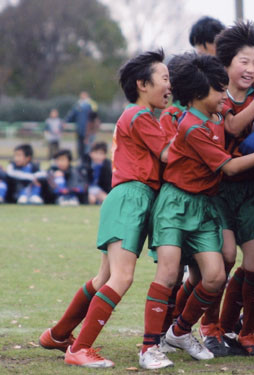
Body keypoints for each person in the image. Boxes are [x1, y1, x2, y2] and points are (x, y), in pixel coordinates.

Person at [39, 49, 174, 370]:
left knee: (105, 277)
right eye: (165, 79)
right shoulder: (139, 116)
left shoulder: (139, 115)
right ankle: (80, 347)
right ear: (143, 84)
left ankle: (58, 336)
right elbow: (169, 154)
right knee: (122, 277)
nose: (170, 86)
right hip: (132, 197)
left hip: (128, 197)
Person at [147, 53, 254, 360]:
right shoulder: (192, 126)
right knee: (168, 274)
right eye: (218, 90)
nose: (224, 95)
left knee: (216, 275)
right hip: (176, 204)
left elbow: (233, 119)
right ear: (196, 96)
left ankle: (178, 332)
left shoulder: (216, 117)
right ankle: (149, 346)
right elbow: (229, 168)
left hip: (204, 205)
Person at [213, 20, 254, 356]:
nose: (251, 69)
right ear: (227, 63)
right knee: (221, 260)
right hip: (219, 191)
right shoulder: (216, 94)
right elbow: (233, 124)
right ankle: (210, 328)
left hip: (251, 190)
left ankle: (247, 333)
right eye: (244, 62)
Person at [66, 91, 92, 161]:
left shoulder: (89, 106)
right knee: (79, 145)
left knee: (86, 146)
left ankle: (85, 159)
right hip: (79, 129)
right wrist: (66, 121)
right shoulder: (78, 105)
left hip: (87, 130)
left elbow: (92, 117)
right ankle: (80, 159)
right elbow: (72, 114)